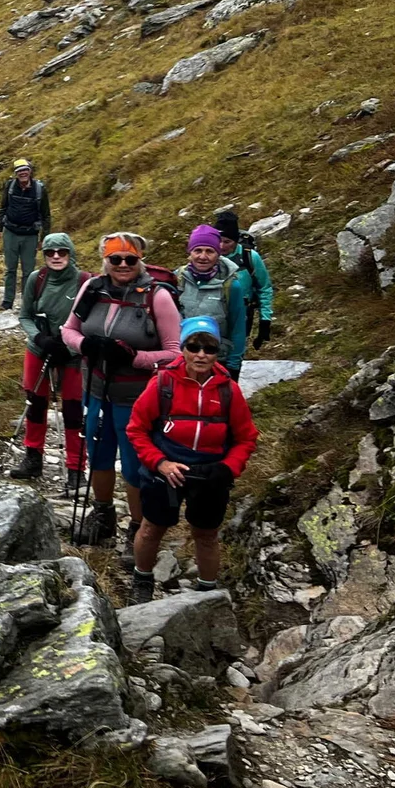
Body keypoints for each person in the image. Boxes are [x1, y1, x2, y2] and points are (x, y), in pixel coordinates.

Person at [126, 315, 259, 602]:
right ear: (183, 348)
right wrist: (160, 463)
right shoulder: (162, 383)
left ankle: (207, 594)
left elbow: (246, 437)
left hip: (211, 474)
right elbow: (136, 429)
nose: (201, 354)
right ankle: (142, 582)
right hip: (164, 471)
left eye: (209, 348)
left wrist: (228, 468)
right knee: (151, 529)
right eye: (193, 346)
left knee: (207, 535)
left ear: (217, 352)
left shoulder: (228, 390)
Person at [62, 232, 182, 547]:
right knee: (99, 455)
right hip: (96, 391)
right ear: (106, 261)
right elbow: (68, 330)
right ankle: (103, 516)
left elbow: (176, 352)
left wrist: (136, 357)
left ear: (140, 260)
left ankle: (138, 530)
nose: (123, 264)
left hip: (138, 398)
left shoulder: (157, 297)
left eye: (131, 259)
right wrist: (85, 344)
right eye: (116, 259)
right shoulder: (92, 288)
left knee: (133, 464)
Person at [11, 232, 85, 490]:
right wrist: (40, 338)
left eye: (62, 252)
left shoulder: (85, 282)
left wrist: (72, 345)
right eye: (50, 252)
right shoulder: (36, 278)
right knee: (35, 402)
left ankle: (77, 468)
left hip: (73, 354)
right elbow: (25, 316)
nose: (55, 257)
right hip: (39, 349)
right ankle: (33, 458)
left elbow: (92, 322)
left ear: (70, 253)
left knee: (74, 411)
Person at [174, 225, 250, 376]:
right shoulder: (177, 279)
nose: (203, 256)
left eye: (209, 251)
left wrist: (234, 363)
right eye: (198, 250)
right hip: (182, 359)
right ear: (190, 253)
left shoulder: (231, 285)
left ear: (218, 254)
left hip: (217, 359)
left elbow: (238, 326)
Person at [214, 210, 274, 355]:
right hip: (214, 314)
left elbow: (264, 288)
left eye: (227, 241)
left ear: (236, 240)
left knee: (234, 354)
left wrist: (264, 321)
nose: (222, 246)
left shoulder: (249, 257)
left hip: (242, 315)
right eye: (219, 240)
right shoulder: (209, 256)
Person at [0, 158, 51, 309]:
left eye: (25, 170)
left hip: (30, 234)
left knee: (28, 271)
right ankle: (7, 301)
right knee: (10, 269)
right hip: (11, 232)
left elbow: (46, 215)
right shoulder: (10, 186)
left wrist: (43, 238)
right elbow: (3, 208)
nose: (22, 173)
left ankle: (27, 302)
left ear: (30, 171)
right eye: (19, 171)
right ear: (16, 174)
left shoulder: (40, 189)